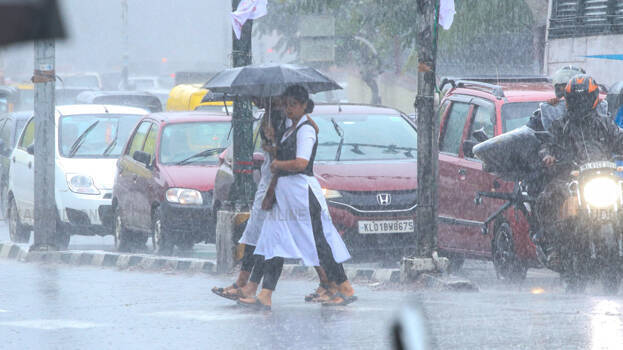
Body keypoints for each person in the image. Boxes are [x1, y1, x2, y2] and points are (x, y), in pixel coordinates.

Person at [237, 85, 356, 310]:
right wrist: (273, 145)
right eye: (287, 104)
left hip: (302, 193)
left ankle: (344, 286)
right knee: (273, 241)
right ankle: (264, 293)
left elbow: (301, 162)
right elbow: (284, 154)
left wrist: (278, 164)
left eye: (294, 104)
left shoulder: (306, 130)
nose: (289, 109)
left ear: (304, 105)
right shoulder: (290, 128)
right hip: (285, 194)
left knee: (319, 242)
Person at [535, 74, 623, 267]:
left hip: (604, 176)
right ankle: (556, 248)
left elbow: (619, 139)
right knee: (549, 197)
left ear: (592, 99)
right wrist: (548, 156)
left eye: (584, 98)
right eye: (576, 99)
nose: (580, 103)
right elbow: (548, 144)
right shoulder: (562, 125)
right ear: (569, 100)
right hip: (570, 177)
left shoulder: (605, 123)